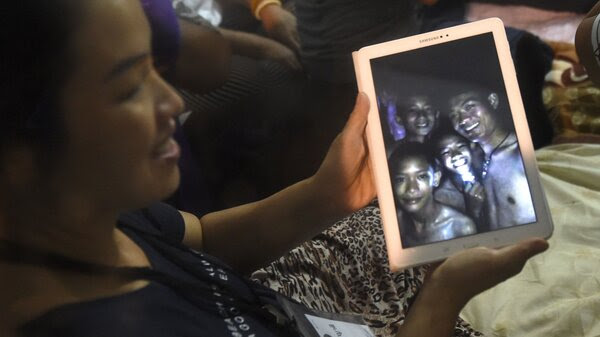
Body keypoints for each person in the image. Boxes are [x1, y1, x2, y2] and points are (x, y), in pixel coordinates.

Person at [0, 0, 549, 336]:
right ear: (17, 153)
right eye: (128, 87)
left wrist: (325, 194)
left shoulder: (88, 218)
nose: (172, 101)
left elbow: (201, 237)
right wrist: (442, 298)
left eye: (157, 70)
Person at [448, 90, 536, 230]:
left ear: (492, 101)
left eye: (469, 107)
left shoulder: (523, 154)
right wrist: (475, 211)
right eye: (454, 115)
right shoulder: (474, 162)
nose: (463, 119)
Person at [388, 142, 476, 247]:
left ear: (436, 178)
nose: (411, 189)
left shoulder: (461, 227)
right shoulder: (394, 223)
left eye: (421, 176)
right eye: (400, 179)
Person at [430, 123, 487, 230]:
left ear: (471, 146)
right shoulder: (441, 197)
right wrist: (474, 211)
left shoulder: (487, 175)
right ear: (439, 161)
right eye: (446, 152)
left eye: (461, 146)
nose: (456, 155)